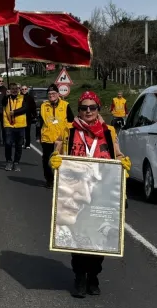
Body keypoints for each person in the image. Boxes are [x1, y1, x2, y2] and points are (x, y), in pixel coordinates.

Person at [48, 91, 131, 299]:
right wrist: (54, 161)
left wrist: (123, 165)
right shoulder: (68, 131)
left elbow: (117, 155)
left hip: (101, 194)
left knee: (100, 239)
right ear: (79, 110)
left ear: (98, 109)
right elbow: (56, 154)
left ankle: (93, 275)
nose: (88, 111)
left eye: (92, 108)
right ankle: (79, 277)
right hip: (75, 194)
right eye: (84, 108)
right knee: (77, 239)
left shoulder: (109, 132)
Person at [39, 84, 74, 189]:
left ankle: (61, 180)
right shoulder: (44, 106)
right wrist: (38, 135)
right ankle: (49, 180)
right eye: (49, 94)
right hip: (47, 138)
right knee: (47, 160)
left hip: (61, 139)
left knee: (61, 161)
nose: (51, 96)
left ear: (58, 94)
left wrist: (68, 135)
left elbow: (71, 121)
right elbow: (40, 121)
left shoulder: (65, 105)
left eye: (53, 93)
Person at [2, 82, 27, 171]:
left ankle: (16, 162)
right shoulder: (6, 98)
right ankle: (8, 161)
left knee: (19, 145)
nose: (14, 91)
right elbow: (2, 103)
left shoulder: (22, 97)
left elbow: (25, 108)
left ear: (18, 90)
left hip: (20, 125)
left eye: (16, 89)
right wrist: (6, 96)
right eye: (12, 89)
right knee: (8, 143)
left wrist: (15, 112)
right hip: (9, 124)